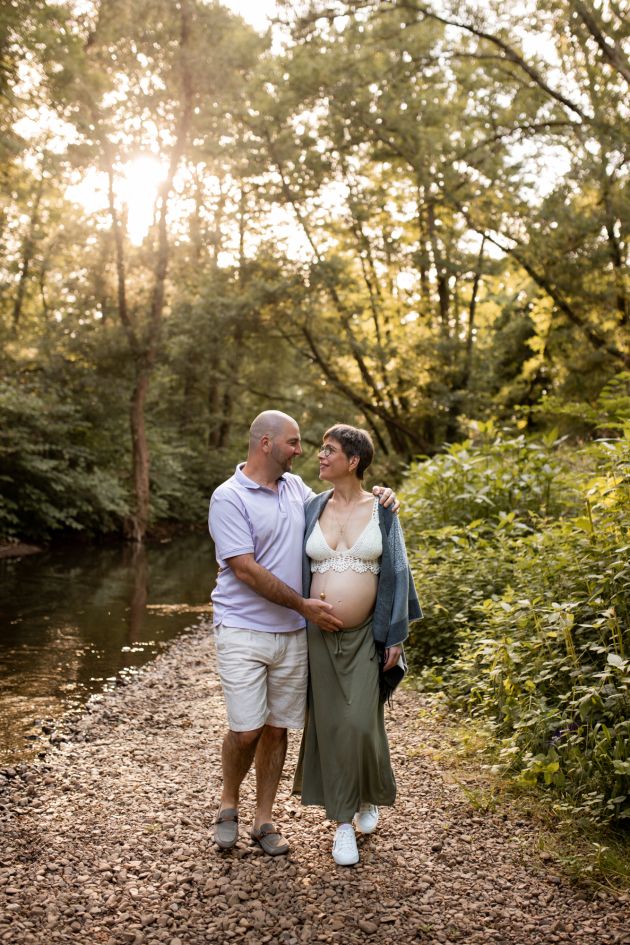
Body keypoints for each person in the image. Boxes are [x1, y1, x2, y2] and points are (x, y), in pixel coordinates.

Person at [208, 410, 397, 856]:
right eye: (294, 442)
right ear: (266, 444)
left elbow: (350, 504)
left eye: (313, 445)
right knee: (246, 728)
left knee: (277, 729)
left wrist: (384, 493)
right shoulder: (229, 497)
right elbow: (246, 570)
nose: (303, 450)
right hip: (244, 628)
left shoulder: (299, 491)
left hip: (295, 634)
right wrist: (305, 606)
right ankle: (227, 805)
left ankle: (264, 820)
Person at [293, 423, 421, 866]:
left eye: (329, 450)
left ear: (354, 461)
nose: (321, 456)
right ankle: (343, 823)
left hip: (367, 635)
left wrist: (397, 637)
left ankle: (368, 798)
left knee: (361, 723)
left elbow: (399, 573)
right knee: (333, 726)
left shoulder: (384, 509)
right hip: (319, 638)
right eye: (321, 449)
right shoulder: (310, 506)